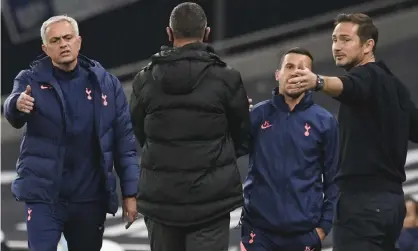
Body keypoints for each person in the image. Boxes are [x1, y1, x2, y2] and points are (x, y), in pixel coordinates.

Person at [3, 15, 139, 251]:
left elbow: (124, 143)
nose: (63, 44)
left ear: (79, 41)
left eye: (67, 38)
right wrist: (17, 104)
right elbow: (13, 110)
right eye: (55, 40)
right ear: (45, 49)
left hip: (89, 198)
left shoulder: (106, 84)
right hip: (45, 196)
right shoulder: (29, 80)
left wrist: (130, 193)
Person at [285, 13, 418, 251]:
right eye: (335, 39)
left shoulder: (367, 76)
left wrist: (317, 82)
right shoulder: (396, 86)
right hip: (392, 205)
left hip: (362, 202)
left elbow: (350, 86)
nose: (337, 46)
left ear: (369, 45)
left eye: (346, 39)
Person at [129, 2, 250, 251]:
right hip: (211, 202)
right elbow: (242, 135)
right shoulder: (227, 77)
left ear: (169, 33)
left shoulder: (144, 79)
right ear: (207, 33)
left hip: (161, 201)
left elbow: (140, 132)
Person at [240, 47, 339, 251]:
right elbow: (228, 152)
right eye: (290, 66)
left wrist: (323, 228)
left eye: (302, 69)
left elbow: (334, 179)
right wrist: (233, 121)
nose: (295, 72)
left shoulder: (325, 122)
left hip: (304, 235)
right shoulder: (257, 115)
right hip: (258, 233)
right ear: (278, 74)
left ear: (311, 77)